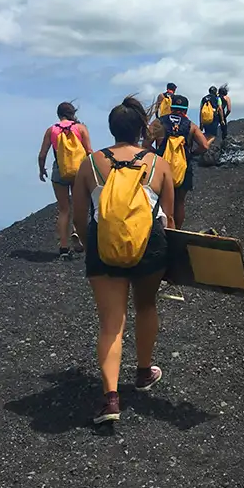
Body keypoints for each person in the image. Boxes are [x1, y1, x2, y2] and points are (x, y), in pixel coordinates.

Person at [72, 96, 176, 425]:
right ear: (141, 129)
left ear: (111, 128)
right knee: (146, 306)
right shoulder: (159, 164)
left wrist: (88, 242)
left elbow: (79, 216)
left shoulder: (90, 164)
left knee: (110, 323)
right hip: (150, 244)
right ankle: (143, 373)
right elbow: (170, 218)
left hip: (103, 245)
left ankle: (111, 399)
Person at [38, 102, 93, 259]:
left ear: (58, 114)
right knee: (79, 206)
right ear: (73, 113)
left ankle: (63, 248)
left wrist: (42, 170)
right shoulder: (81, 128)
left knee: (64, 209)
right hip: (78, 170)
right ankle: (77, 233)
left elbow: (42, 155)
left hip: (59, 170)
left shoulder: (51, 130)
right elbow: (89, 151)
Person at [148, 95, 208, 229]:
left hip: (161, 167)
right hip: (183, 167)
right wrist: (191, 154)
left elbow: (146, 144)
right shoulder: (191, 126)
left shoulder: (158, 122)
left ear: (171, 108)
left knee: (160, 199)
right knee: (179, 202)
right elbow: (204, 145)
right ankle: (177, 231)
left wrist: (157, 154)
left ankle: (160, 229)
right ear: (186, 110)